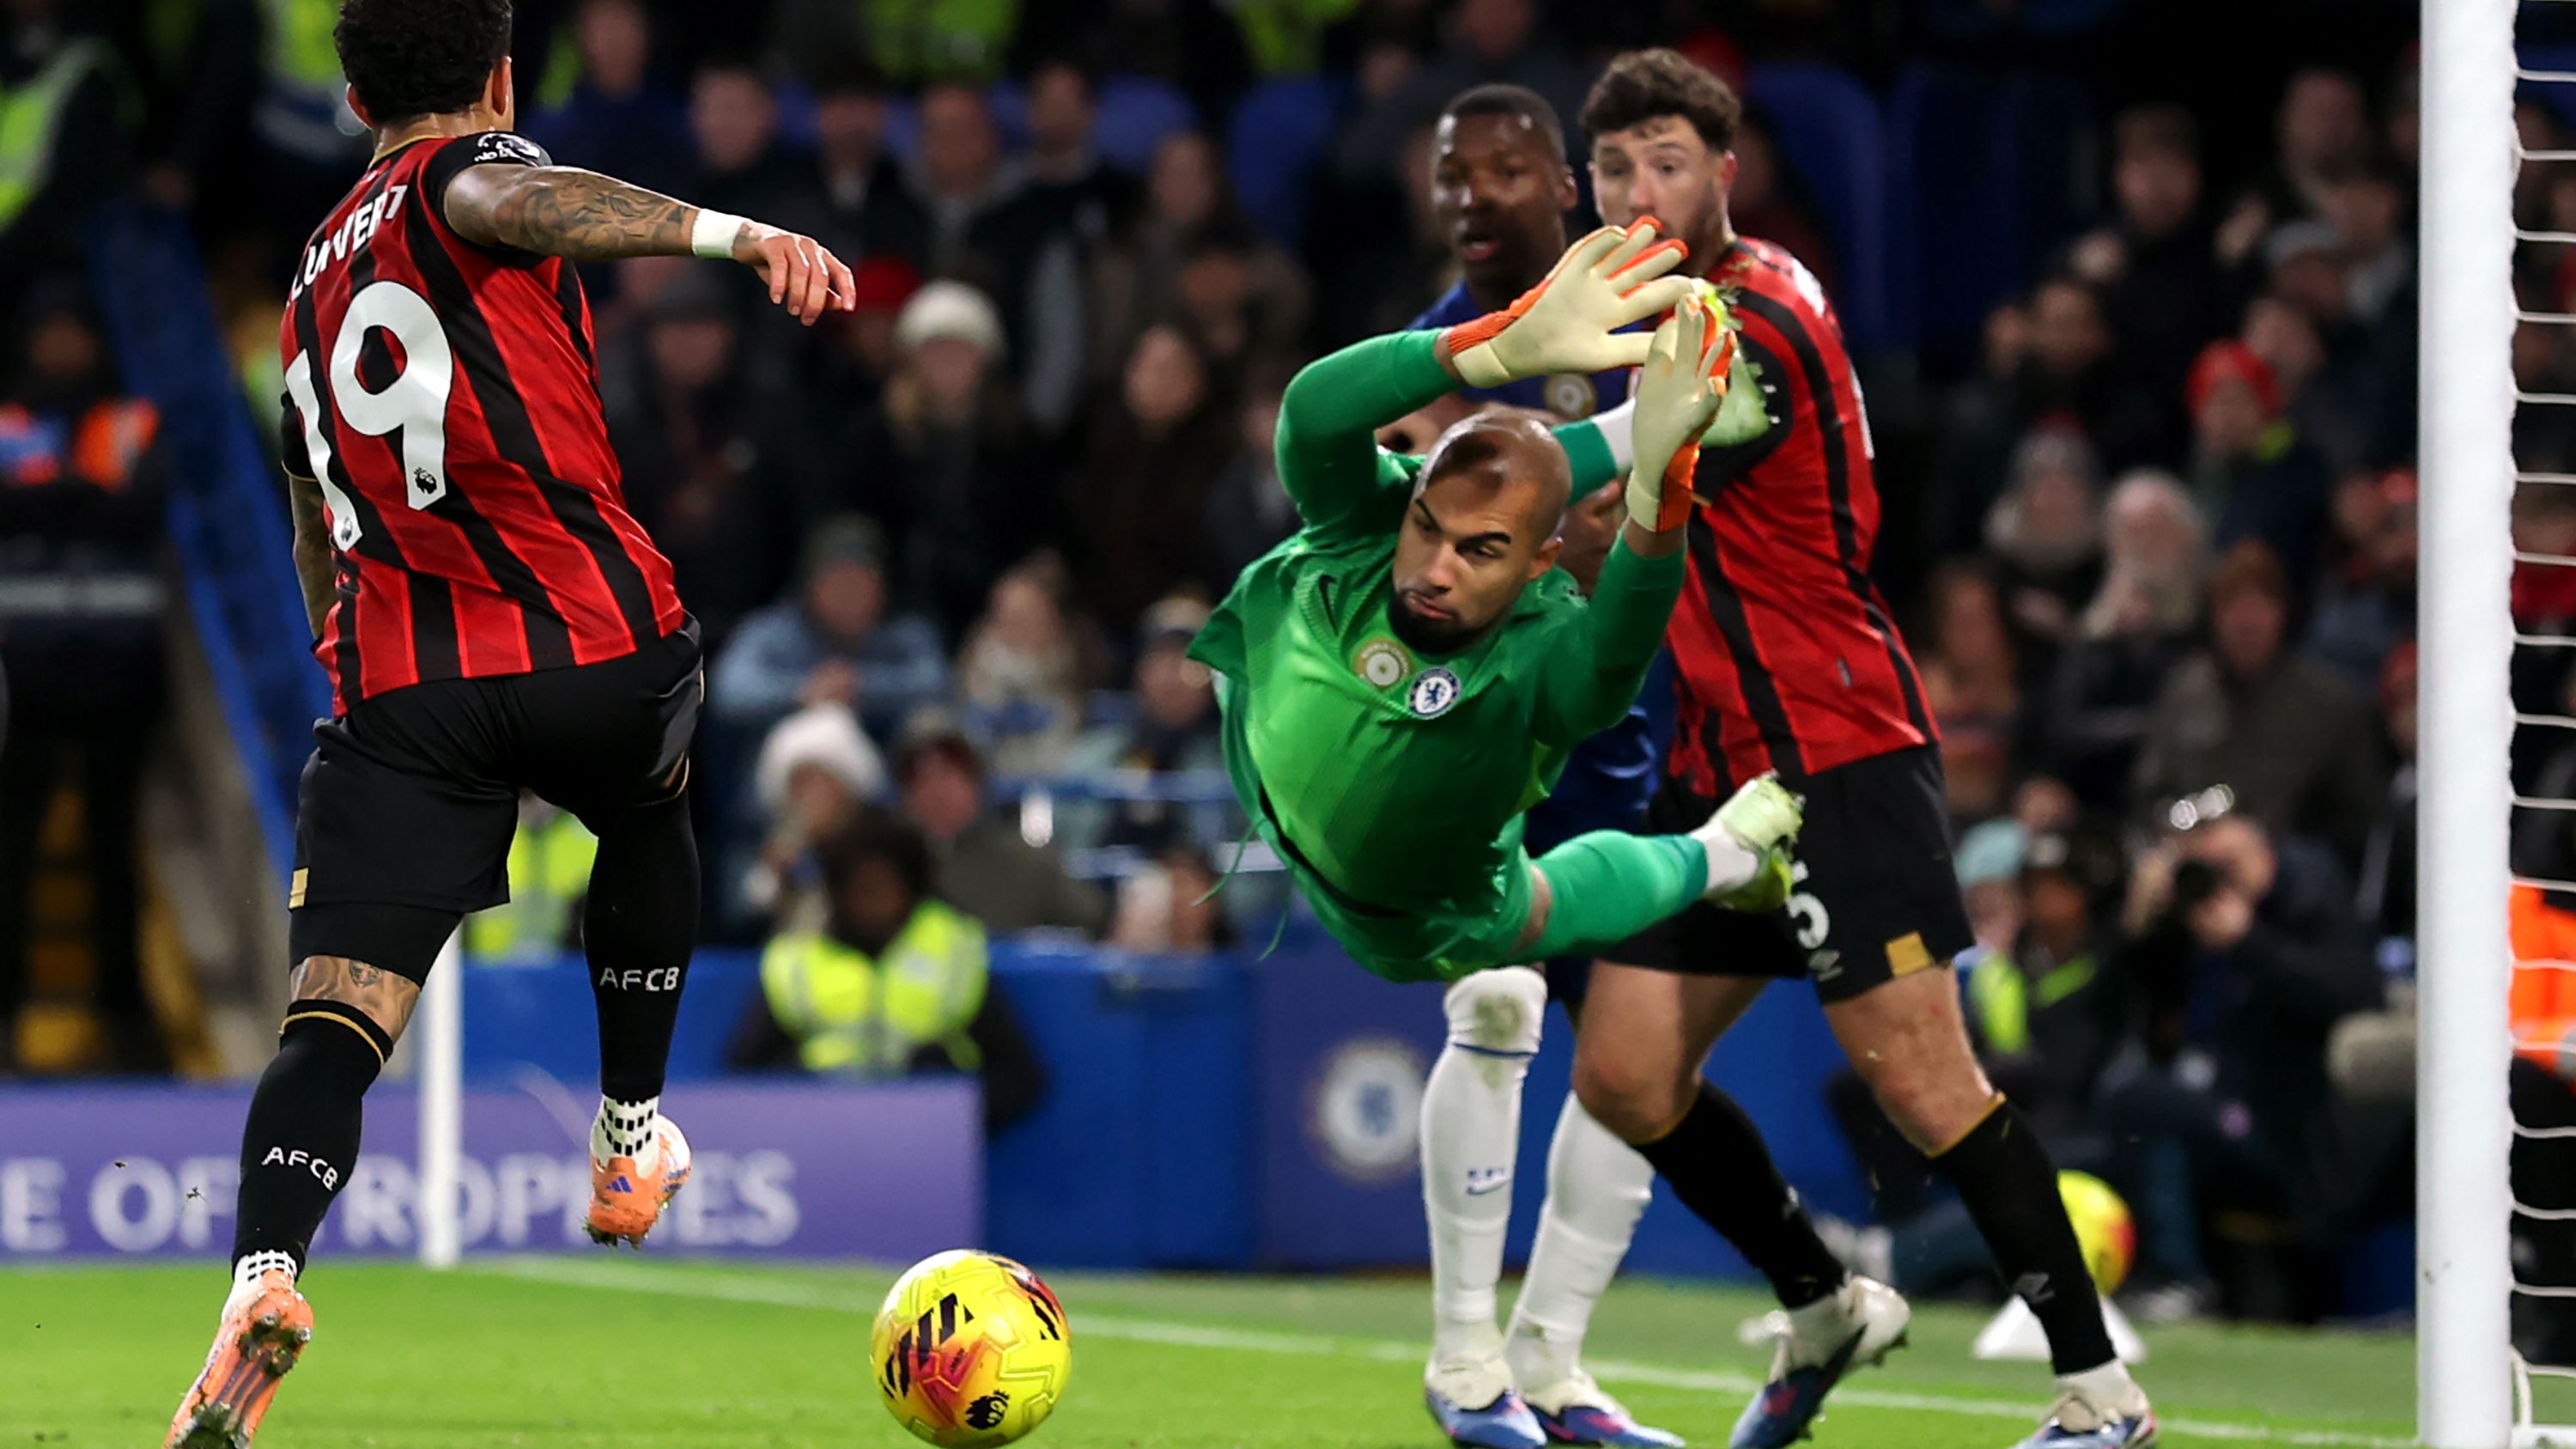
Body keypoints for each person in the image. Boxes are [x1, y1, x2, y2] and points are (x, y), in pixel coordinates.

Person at [167, 3, 856, 1441]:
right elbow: (513, 195)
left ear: (352, 94)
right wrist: (735, 236)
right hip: (586, 636)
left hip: (402, 686)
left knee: (336, 1021)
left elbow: (312, 503)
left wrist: (341, 649)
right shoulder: (467, 173)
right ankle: (625, 1136)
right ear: (497, 79)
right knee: (650, 797)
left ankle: (263, 1275)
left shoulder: (303, 285)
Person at [1571, 50, 2155, 1448]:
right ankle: (1826, 1303)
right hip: (1721, 762)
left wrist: (1441, 465)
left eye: (1666, 162)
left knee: (1927, 1083)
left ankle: (2101, 1391)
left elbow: (1615, 457)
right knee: (1626, 1072)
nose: (1638, 191)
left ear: (1726, 172)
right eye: (1614, 168)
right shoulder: (1647, 308)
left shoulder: (1756, 313)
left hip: (1836, 745)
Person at [1188, 229, 1797, 989]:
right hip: (1254, 739)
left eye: (1480, 552)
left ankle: (1729, 853)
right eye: (1427, 529)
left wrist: (1666, 480)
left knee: (1540, 911)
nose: (1435, 570)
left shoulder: (1541, 662)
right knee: (1494, 485)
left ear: (1540, 564)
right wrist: (1493, 346)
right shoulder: (1368, 518)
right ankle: (1629, 431)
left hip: (1407, 914)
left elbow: (1619, 643)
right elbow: (1311, 415)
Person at [1397, 83, 1676, 1449]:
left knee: (1633, 1063)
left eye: (1503, 169)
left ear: (1563, 187)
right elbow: (1410, 547)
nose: (1471, 194)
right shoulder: (1428, 350)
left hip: (1638, 732)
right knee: (1498, 1002)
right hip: (1485, 749)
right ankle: (1463, 1365)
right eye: (1454, 175)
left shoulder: (1651, 315)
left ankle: (1554, 1366)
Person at [0, 279, 172, 1073]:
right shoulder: (10, 420)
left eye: (75, 331)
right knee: (13, 851)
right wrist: (84, 500)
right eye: (50, 331)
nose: (62, 347)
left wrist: (51, 501)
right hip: (22, 676)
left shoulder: (132, 421)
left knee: (112, 853)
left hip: (118, 673)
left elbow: (142, 513)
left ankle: (126, 1021)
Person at [730, 807, 1047, 1132]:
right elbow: (743, 1074)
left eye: (884, 884)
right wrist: (800, 1087)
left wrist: (949, 1107)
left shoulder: (952, 951)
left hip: (925, 1144)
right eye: (861, 885)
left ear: (910, 886)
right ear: (839, 890)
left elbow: (1018, 1077)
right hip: (820, 1141)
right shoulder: (797, 956)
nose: (873, 897)